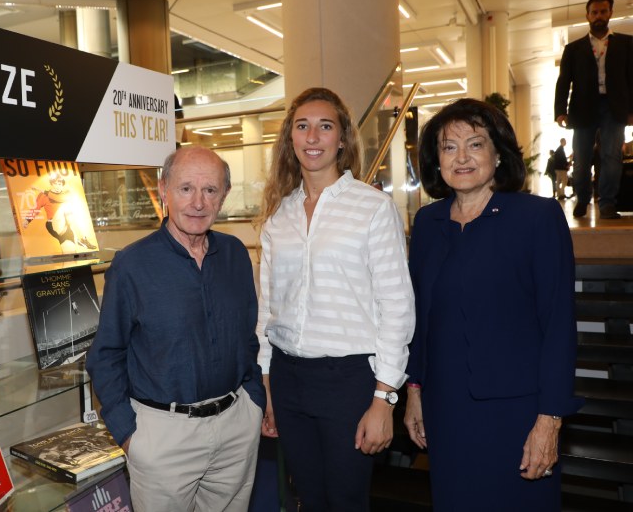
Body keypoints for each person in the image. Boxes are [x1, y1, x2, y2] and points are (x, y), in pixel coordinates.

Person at [403, 98, 583, 511]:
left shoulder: (536, 217)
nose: (462, 157)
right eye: (449, 147)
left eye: (475, 144)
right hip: (445, 410)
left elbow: (558, 325)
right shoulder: (429, 224)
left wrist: (549, 420)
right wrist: (414, 390)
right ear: (437, 159)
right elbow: (420, 319)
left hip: (518, 415)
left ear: (498, 153)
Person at [255, 87, 415, 511]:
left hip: (349, 382)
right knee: (308, 498)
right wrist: (268, 388)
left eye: (325, 126)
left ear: (342, 139)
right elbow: (266, 312)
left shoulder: (373, 208)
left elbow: (397, 308)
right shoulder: (278, 218)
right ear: (290, 139)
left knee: (346, 501)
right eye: (302, 126)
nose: (312, 136)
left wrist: (384, 398)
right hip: (289, 380)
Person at [86, 147, 265, 511]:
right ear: (163, 189)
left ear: (224, 195)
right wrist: (130, 435)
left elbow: (247, 336)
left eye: (210, 190)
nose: (198, 202)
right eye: (186, 189)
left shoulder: (235, 255)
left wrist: (254, 402)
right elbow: (106, 356)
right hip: (162, 437)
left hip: (236, 428)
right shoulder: (132, 265)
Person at [554, 0, 633, 219]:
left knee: (611, 156)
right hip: (582, 108)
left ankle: (607, 203)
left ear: (610, 13)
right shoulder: (573, 49)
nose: (599, 16)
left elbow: (631, 79)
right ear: (587, 15)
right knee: (581, 159)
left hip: (614, 107)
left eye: (603, 11)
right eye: (594, 12)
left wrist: (631, 111)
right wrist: (560, 111)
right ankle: (582, 199)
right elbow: (563, 81)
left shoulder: (626, 44)